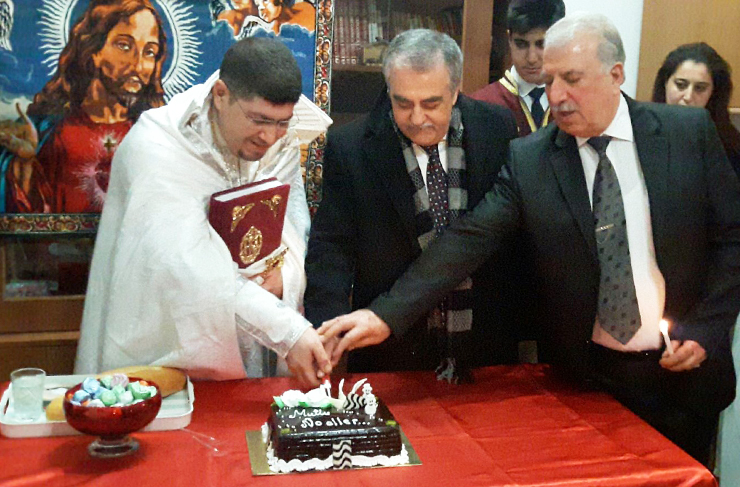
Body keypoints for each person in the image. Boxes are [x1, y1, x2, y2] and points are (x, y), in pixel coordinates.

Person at [317, 13, 740, 466]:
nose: (555, 96)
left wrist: (708, 328)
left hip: (683, 380)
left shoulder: (687, 134)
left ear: (616, 74)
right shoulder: (530, 159)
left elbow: (732, 241)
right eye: (549, 79)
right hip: (584, 383)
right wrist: (385, 314)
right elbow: (468, 240)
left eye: (571, 79)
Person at [74, 37, 331, 387]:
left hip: (256, 333)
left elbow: (292, 225)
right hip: (169, 337)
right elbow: (182, 269)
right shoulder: (158, 145)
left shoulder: (277, 139)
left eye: (282, 122)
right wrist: (288, 331)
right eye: (259, 120)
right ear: (221, 95)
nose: (271, 137)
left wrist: (285, 276)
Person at [304, 29, 519, 382]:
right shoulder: (351, 147)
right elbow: (331, 250)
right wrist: (326, 332)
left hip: (485, 346)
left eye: (431, 103)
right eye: (403, 103)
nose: (417, 118)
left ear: (455, 90)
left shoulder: (496, 127)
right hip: (392, 351)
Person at [0, 0, 167, 213]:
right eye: (124, 46)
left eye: (150, 52)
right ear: (93, 51)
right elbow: (28, 217)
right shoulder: (48, 132)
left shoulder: (155, 133)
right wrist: (25, 162)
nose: (139, 65)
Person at [470, 0, 565, 137]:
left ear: (559, 40)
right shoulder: (480, 104)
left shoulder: (572, 101)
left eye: (542, 44)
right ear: (509, 38)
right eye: (521, 44)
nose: (531, 58)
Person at [652, 42, 740, 178]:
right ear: (665, 84)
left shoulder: (729, 148)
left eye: (700, 88)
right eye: (680, 85)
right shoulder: (640, 132)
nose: (688, 96)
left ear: (714, 93)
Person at [217, 0, 315, 38]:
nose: (261, 8)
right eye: (258, 4)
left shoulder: (306, 9)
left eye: (265, 1)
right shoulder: (274, 31)